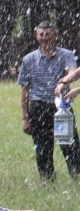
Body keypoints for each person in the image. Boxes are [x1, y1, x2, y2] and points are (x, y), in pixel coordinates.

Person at [18, 21, 80, 181]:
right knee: (43, 149)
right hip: (38, 107)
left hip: (61, 106)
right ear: (36, 36)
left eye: (48, 34)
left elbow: (73, 71)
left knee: (70, 146)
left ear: (55, 35)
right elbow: (24, 91)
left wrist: (65, 81)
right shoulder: (29, 59)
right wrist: (25, 118)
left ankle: (77, 176)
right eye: (42, 34)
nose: (45, 38)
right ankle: (48, 181)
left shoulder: (66, 55)